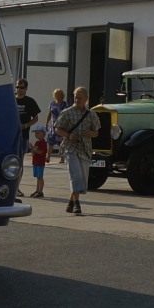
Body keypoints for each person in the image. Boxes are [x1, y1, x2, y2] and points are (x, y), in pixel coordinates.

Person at [55, 87, 101, 215]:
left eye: (79, 97)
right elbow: (57, 129)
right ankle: (77, 204)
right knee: (75, 174)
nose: (77, 99)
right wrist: (68, 135)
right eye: (75, 97)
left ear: (86, 99)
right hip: (70, 147)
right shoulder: (67, 112)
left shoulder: (92, 115)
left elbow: (97, 132)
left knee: (82, 177)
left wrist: (90, 133)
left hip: (85, 149)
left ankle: (70, 201)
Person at [15, 78, 40, 198]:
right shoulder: (11, 100)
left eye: (21, 87)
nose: (18, 90)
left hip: (22, 136)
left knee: (19, 161)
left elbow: (35, 118)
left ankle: (16, 187)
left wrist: (25, 125)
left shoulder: (30, 101)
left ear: (26, 89)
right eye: (17, 87)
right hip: (9, 135)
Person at [45, 88, 69, 164]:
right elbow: (49, 114)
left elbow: (67, 114)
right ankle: (48, 156)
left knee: (61, 142)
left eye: (59, 95)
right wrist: (46, 123)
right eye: (56, 95)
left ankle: (62, 157)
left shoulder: (65, 104)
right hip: (53, 125)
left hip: (62, 126)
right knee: (50, 141)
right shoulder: (52, 103)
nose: (58, 96)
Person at [29, 125, 48, 198]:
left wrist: (34, 149)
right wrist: (32, 148)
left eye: (38, 132)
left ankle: (40, 191)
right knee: (37, 177)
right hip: (35, 162)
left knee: (40, 177)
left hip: (40, 163)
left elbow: (40, 152)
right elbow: (33, 152)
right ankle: (37, 190)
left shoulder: (43, 143)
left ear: (43, 133)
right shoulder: (37, 142)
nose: (36, 134)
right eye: (35, 133)